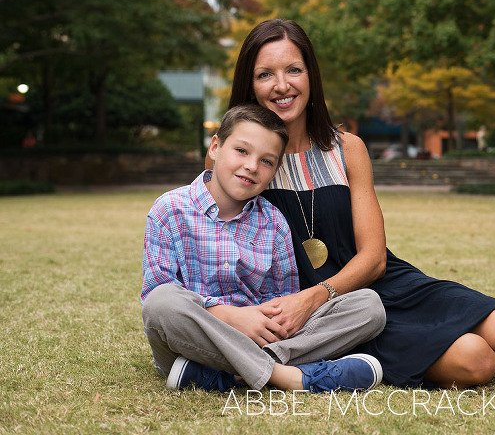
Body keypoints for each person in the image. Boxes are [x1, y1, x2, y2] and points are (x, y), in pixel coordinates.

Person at [218, 19, 495, 389]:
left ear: (311, 76)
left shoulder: (347, 149)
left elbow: (375, 257)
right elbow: (216, 245)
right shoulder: (238, 159)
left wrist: (315, 296)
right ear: (249, 85)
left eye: (294, 70)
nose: (282, 85)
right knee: (476, 363)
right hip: (336, 317)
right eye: (266, 74)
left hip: (378, 284)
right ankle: (400, 353)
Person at [141, 103, 386, 394]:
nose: (251, 166)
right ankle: (290, 377)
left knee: (369, 307)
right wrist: (231, 317)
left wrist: (265, 319)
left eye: (267, 161)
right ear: (216, 147)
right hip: (197, 338)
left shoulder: (274, 223)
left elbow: (283, 298)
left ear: (274, 171)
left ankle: (222, 376)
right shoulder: (169, 210)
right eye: (241, 151)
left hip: (261, 337)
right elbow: (157, 294)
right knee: (162, 302)